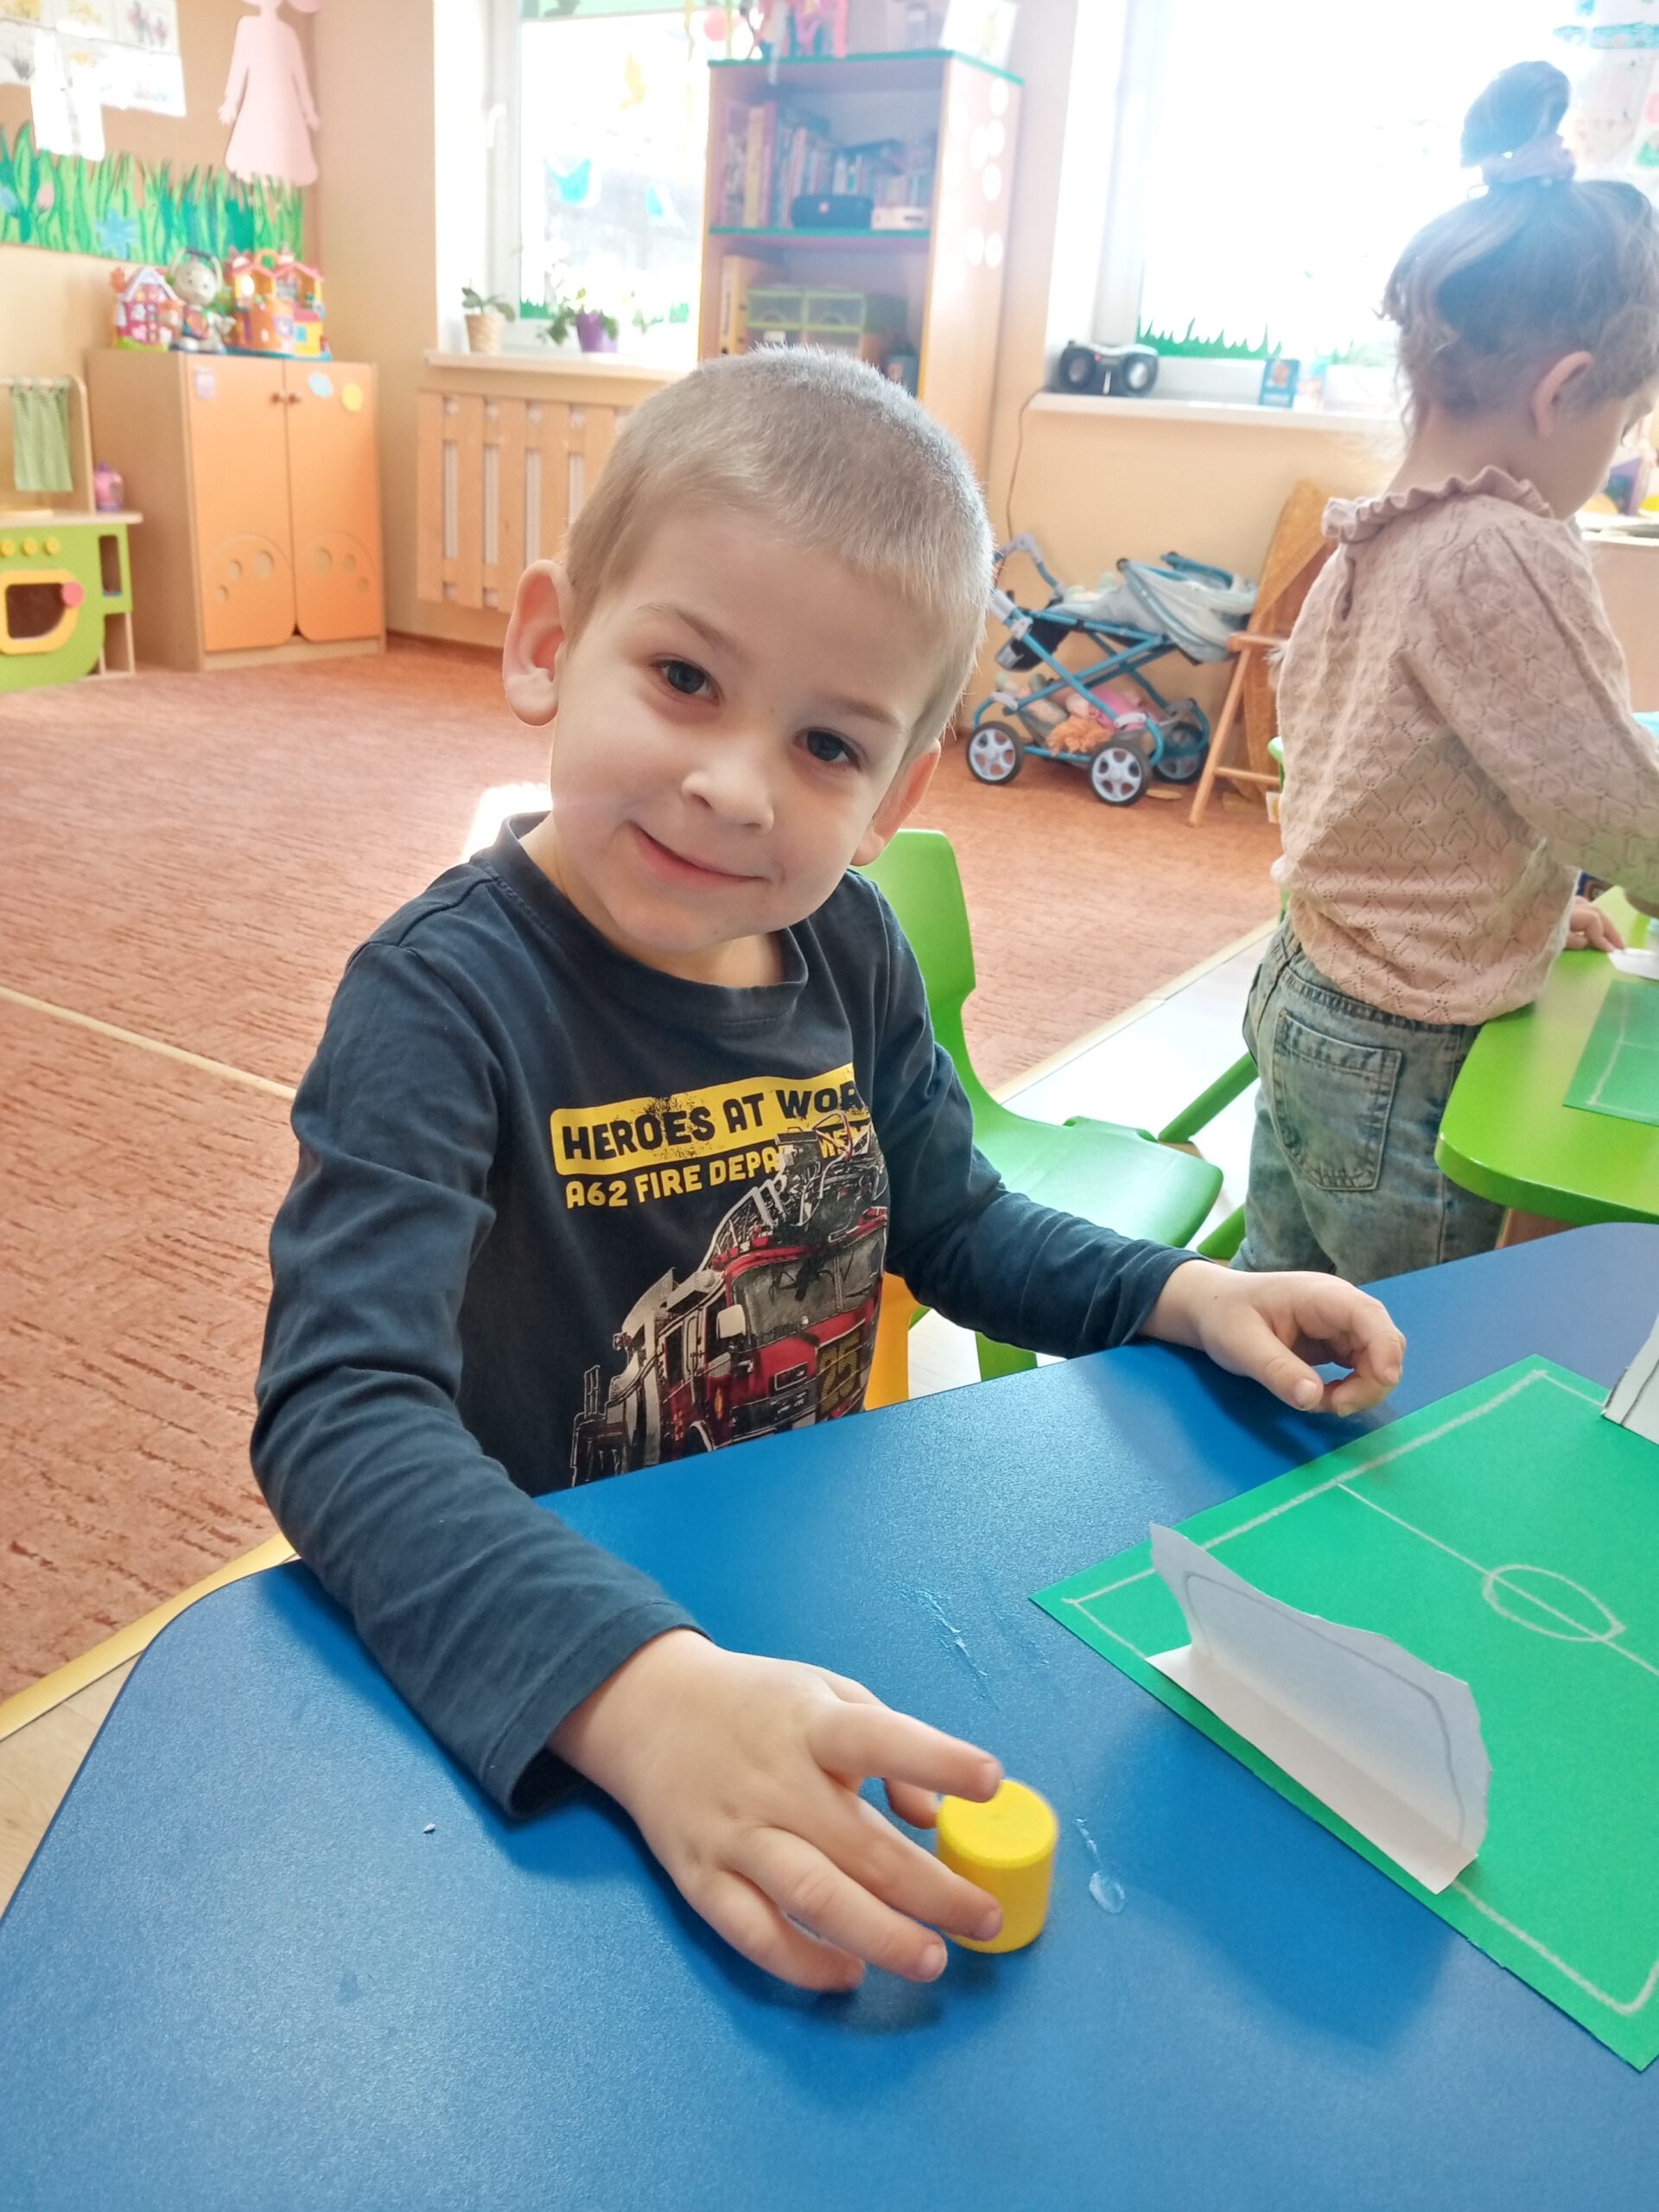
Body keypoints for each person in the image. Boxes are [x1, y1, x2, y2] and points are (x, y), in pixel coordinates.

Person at [254, 347, 1404, 1995]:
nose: (734, 786)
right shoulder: (438, 1003)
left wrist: (1178, 1293)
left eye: (825, 745)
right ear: (549, 643)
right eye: (684, 678)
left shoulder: (848, 947)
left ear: (894, 794)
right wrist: (637, 1693)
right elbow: (340, 1413)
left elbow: (954, 1221)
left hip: (792, 1590)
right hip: (542, 1666)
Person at [1236, 59, 1659, 1285]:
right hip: (1401, 1045)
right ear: (1565, 391)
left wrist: (1525, 909)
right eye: (1627, 424)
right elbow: (1611, 802)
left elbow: (1400, 797)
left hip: (1312, 989)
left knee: (1284, 1307)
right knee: (1417, 1346)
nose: (1617, 453)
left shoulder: (1378, 535)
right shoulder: (1501, 546)